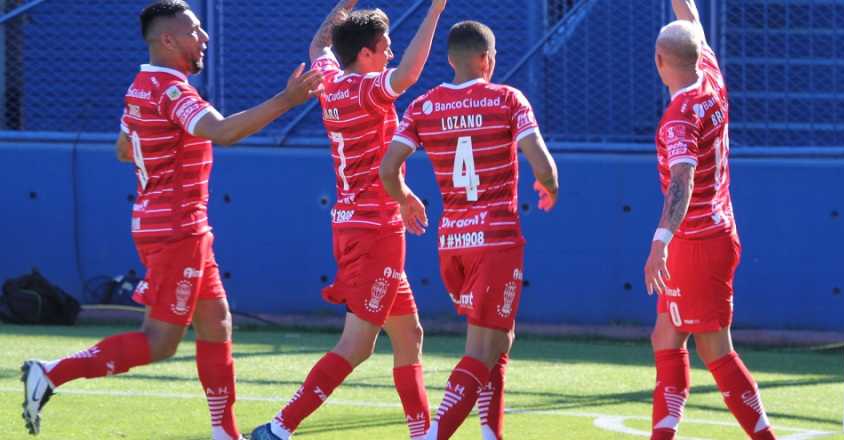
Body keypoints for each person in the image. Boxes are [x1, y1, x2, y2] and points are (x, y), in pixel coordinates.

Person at [19, 1, 323, 438]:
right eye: (194, 31)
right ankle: (49, 373)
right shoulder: (170, 90)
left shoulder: (140, 85)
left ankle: (225, 432)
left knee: (217, 322)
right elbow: (222, 132)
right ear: (167, 40)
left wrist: (163, 156)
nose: (204, 37)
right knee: (160, 341)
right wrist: (288, 99)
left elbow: (125, 148)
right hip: (176, 228)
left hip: (175, 224)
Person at [249, 1, 446, 439]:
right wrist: (434, 12)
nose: (391, 54)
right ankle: (278, 429)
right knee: (357, 346)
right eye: (386, 47)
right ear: (366, 55)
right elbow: (409, 75)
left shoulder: (333, 79)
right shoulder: (364, 89)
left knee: (409, 335)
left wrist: (346, 5)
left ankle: (422, 434)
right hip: (375, 230)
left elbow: (320, 41)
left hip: (362, 224)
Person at [379, 20, 559, 440]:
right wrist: (549, 187)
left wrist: (405, 199)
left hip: (452, 244)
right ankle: (433, 434)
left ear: (449, 59)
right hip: (495, 240)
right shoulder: (508, 100)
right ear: (487, 59)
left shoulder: (423, 106)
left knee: (499, 339)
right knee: (482, 348)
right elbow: (544, 166)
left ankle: (490, 433)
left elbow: (388, 169)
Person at [642, 1, 777, 439]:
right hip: (711, 230)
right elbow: (693, 23)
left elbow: (681, 181)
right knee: (666, 336)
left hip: (696, 239)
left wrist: (660, 240)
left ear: (660, 62)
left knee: (715, 347)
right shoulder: (712, 77)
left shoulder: (678, 118)